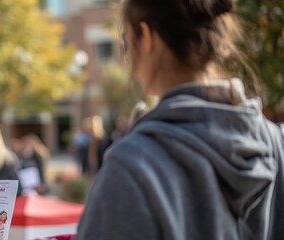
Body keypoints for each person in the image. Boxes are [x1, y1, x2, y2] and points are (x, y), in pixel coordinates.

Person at [73, 0, 284, 239]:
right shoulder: (273, 142)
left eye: (126, 42)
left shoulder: (132, 166)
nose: (127, 58)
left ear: (147, 36)